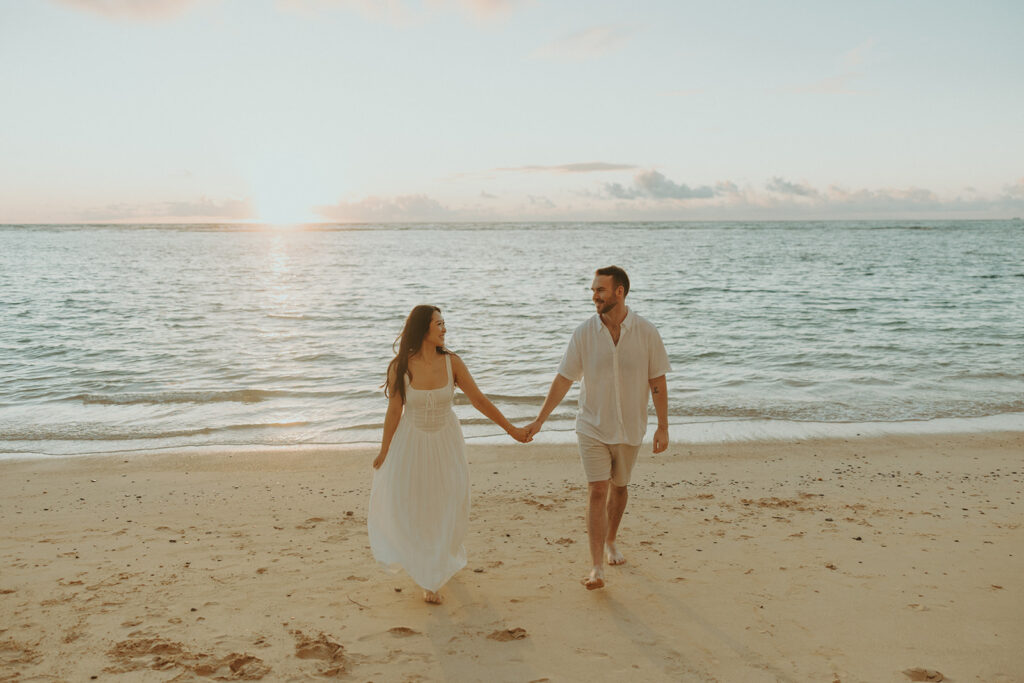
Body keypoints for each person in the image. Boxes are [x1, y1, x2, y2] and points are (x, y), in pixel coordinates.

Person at [369, 305, 530, 604]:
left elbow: (479, 400)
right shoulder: (400, 366)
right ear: (423, 329)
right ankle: (430, 577)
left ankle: (442, 558)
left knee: (451, 501)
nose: (444, 328)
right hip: (412, 442)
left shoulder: (452, 363)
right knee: (416, 504)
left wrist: (512, 430)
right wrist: (384, 450)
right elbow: (394, 411)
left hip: (447, 441)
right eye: (439, 324)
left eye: (444, 323)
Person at [525, 266, 671, 590]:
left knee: (619, 488)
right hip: (591, 425)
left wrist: (663, 427)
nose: (594, 296)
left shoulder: (646, 332)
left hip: (631, 428)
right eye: (593, 291)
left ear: (619, 292)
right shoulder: (583, 334)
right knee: (597, 490)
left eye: (600, 290)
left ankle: (611, 540)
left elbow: (657, 382)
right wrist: (540, 419)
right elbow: (564, 379)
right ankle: (595, 568)